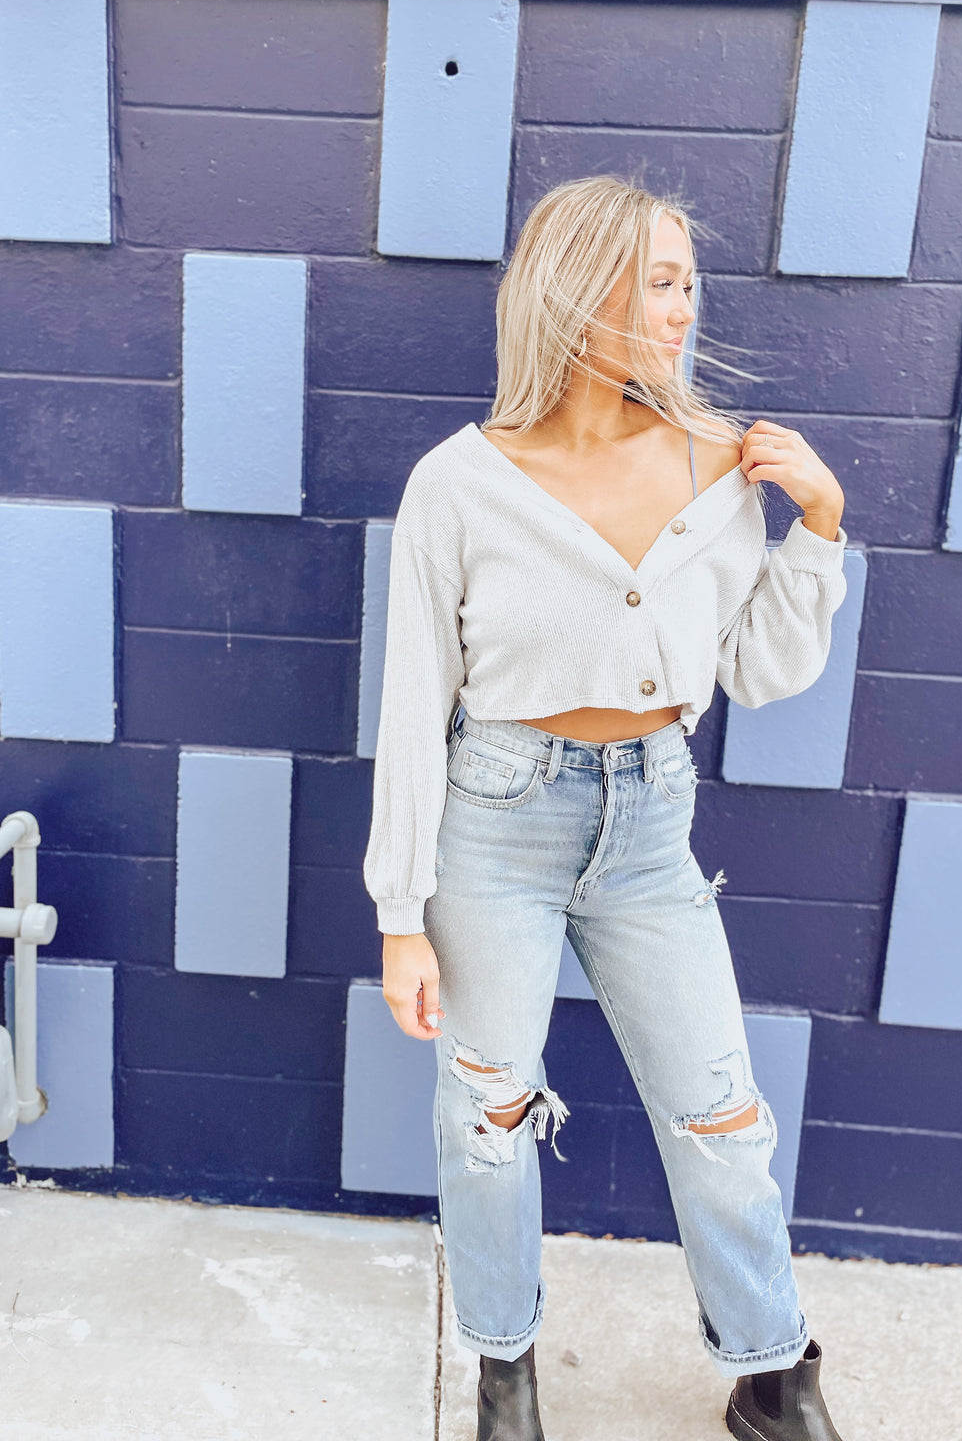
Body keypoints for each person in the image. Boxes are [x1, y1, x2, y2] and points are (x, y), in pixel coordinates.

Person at [363, 174, 851, 1441]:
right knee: (488, 1116)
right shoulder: (458, 486)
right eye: (659, 277)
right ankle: (505, 1371)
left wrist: (820, 530)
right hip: (497, 824)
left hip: (650, 829)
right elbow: (414, 706)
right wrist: (401, 915)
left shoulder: (721, 470)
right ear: (576, 289)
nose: (684, 306)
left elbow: (759, 670)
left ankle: (772, 1373)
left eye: (688, 278)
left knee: (721, 1113)